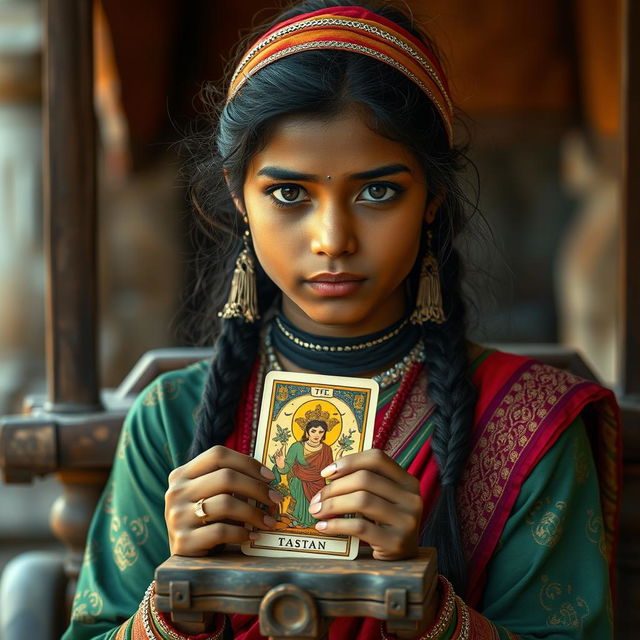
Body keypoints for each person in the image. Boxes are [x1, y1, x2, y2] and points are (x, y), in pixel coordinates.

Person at [62, 1, 621, 639]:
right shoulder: (170, 420)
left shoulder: (522, 425)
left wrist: (425, 603)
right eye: (289, 193)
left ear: (432, 198)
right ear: (238, 196)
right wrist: (174, 606)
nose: (333, 238)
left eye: (378, 191)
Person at [274, 417, 335, 529]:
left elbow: (329, 470)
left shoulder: (327, 449)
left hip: (318, 482)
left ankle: (312, 522)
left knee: (315, 503)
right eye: (313, 431)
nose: (317, 434)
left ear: (324, 434)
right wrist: (281, 464)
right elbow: (286, 468)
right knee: (301, 502)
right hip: (299, 481)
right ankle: (299, 520)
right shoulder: (297, 447)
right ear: (307, 432)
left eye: (321, 432)